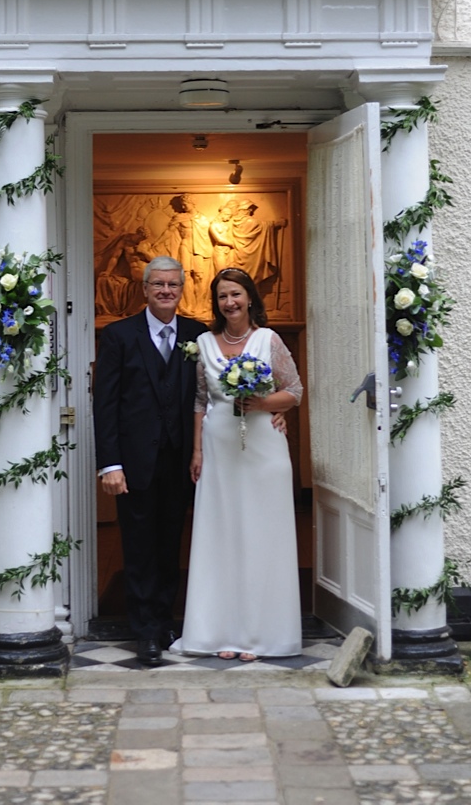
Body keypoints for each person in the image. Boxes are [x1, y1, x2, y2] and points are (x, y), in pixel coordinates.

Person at [172, 267, 303, 661]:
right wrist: (196, 451)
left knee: (263, 537)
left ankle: (262, 635)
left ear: (249, 298)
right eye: (222, 296)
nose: (229, 302)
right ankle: (220, 633)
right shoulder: (204, 343)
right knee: (222, 538)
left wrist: (264, 404)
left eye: (236, 294)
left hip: (263, 450)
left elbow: (294, 390)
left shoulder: (268, 340)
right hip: (218, 449)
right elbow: (199, 401)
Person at [93, 255, 207, 666]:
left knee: (169, 545)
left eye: (172, 286)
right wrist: (110, 464)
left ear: (181, 289)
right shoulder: (119, 335)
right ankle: (144, 633)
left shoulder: (197, 334)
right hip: (134, 463)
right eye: (158, 285)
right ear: (144, 289)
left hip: (180, 462)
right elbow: (105, 406)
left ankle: (164, 622)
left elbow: (208, 396)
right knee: (138, 547)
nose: (165, 291)